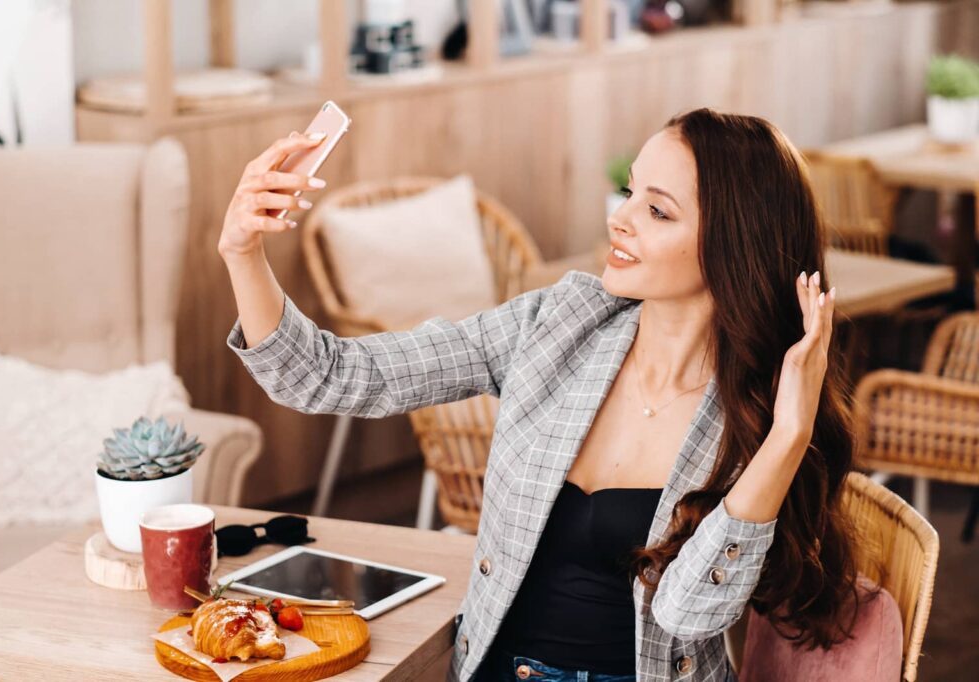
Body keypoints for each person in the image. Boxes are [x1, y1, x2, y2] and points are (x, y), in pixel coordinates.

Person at [218, 108, 868, 682]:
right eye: (630, 191)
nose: (620, 218)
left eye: (657, 209)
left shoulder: (761, 411)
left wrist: (787, 440)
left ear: (733, 247)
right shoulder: (560, 324)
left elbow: (688, 613)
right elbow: (332, 375)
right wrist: (244, 253)